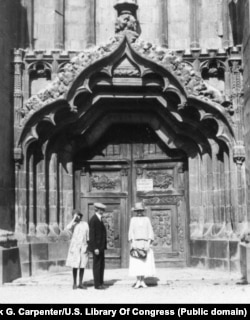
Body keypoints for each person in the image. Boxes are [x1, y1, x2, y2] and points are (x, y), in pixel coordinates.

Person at [128, 202, 156, 289]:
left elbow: (150, 231)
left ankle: (143, 281)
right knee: (137, 263)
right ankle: (137, 281)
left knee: (144, 262)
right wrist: (132, 242)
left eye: (140, 211)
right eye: (137, 211)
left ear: (143, 211)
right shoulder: (133, 219)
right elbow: (131, 231)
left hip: (144, 243)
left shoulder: (146, 219)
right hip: (136, 242)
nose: (139, 212)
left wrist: (148, 242)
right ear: (135, 212)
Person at [65, 209, 89, 290]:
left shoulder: (85, 224)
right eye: (76, 215)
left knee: (82, 265)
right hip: (75, 247)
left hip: (83, 246)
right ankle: (74, 283)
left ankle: (81, 283)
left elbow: (88, 235)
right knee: (75, 265)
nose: (77, 216)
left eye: (78, 215)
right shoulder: (73, 225)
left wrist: (87, 246)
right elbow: (67, 228)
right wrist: (73, 219)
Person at [88, 203, 107, 290]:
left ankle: (101, 282)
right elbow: (92, 236)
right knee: (97, 265)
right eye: (101, 210)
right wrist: (95, 248)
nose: (102, 211)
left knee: (101, 265)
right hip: (97, 247)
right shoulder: (94, 220)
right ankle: (97, 284)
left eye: (103, 210)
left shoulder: (99, 219)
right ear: (97, 210)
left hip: (101, 247)